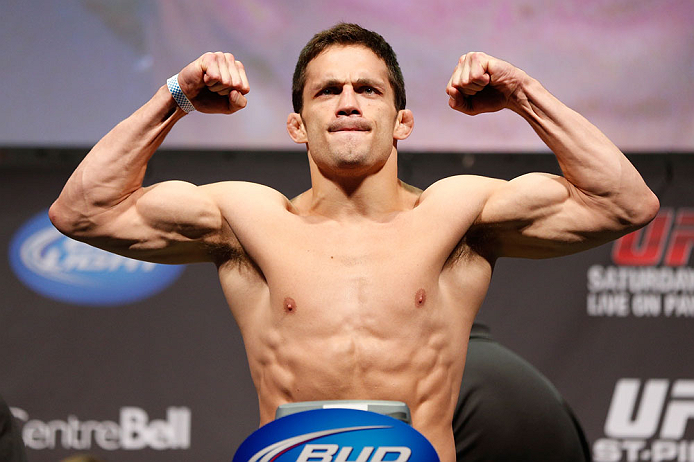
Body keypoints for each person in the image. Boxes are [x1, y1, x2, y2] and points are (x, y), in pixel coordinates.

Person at [49, 23, 658, 461]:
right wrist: (174, 99)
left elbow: (626, 202)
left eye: (368, 90)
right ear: (297, 125)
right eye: (326, 90)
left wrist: (524, 95)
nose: (346, 103)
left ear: (402, 121)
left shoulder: (456, 214)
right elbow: (83, 211)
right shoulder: (247, 220)